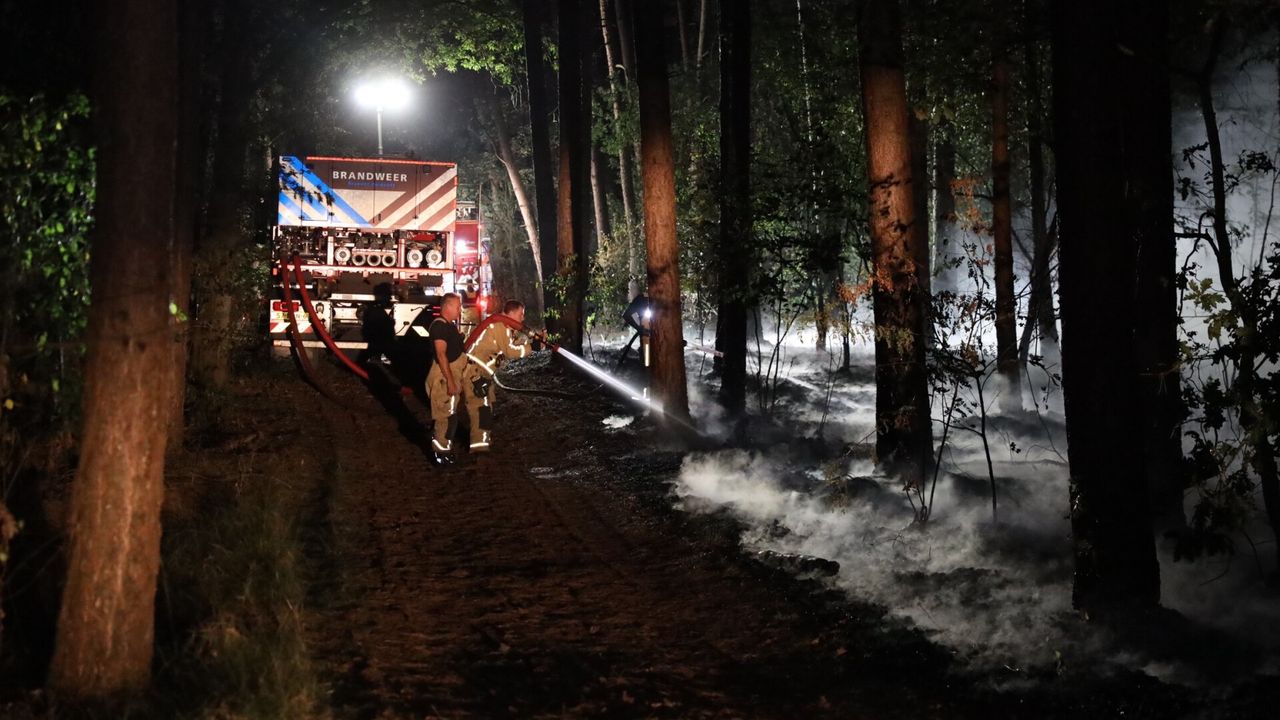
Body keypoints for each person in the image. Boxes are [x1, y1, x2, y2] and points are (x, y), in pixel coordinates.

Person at [460, 300, 542, 453]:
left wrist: (533, 342)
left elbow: (510, 344)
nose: (522, 319)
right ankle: (479, 449)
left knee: (486, 406)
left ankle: (483, 440)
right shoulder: (498, 325)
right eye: (520, 314)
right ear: (510, 313)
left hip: (482, 373)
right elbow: (510, 351)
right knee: (481, 408)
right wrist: (532, 347)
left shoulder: (502, 327)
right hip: (475, 373)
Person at [426, 293, 467, 465]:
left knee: (449, 416)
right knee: (446, 417)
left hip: (450, 375)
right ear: (447, 306)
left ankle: (444, 450)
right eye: (457, 306)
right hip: (443, 378)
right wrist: (450, 381)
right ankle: (440, 454)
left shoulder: (448, 326)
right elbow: (441, 355)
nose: (460, 310)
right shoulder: (440, 327)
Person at [615, 292, 652, 370]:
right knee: (647, 364)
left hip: (660, 342)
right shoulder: (643, 299)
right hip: (647, 341)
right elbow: (627, 315)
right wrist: (640, 328)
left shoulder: (665, 298)